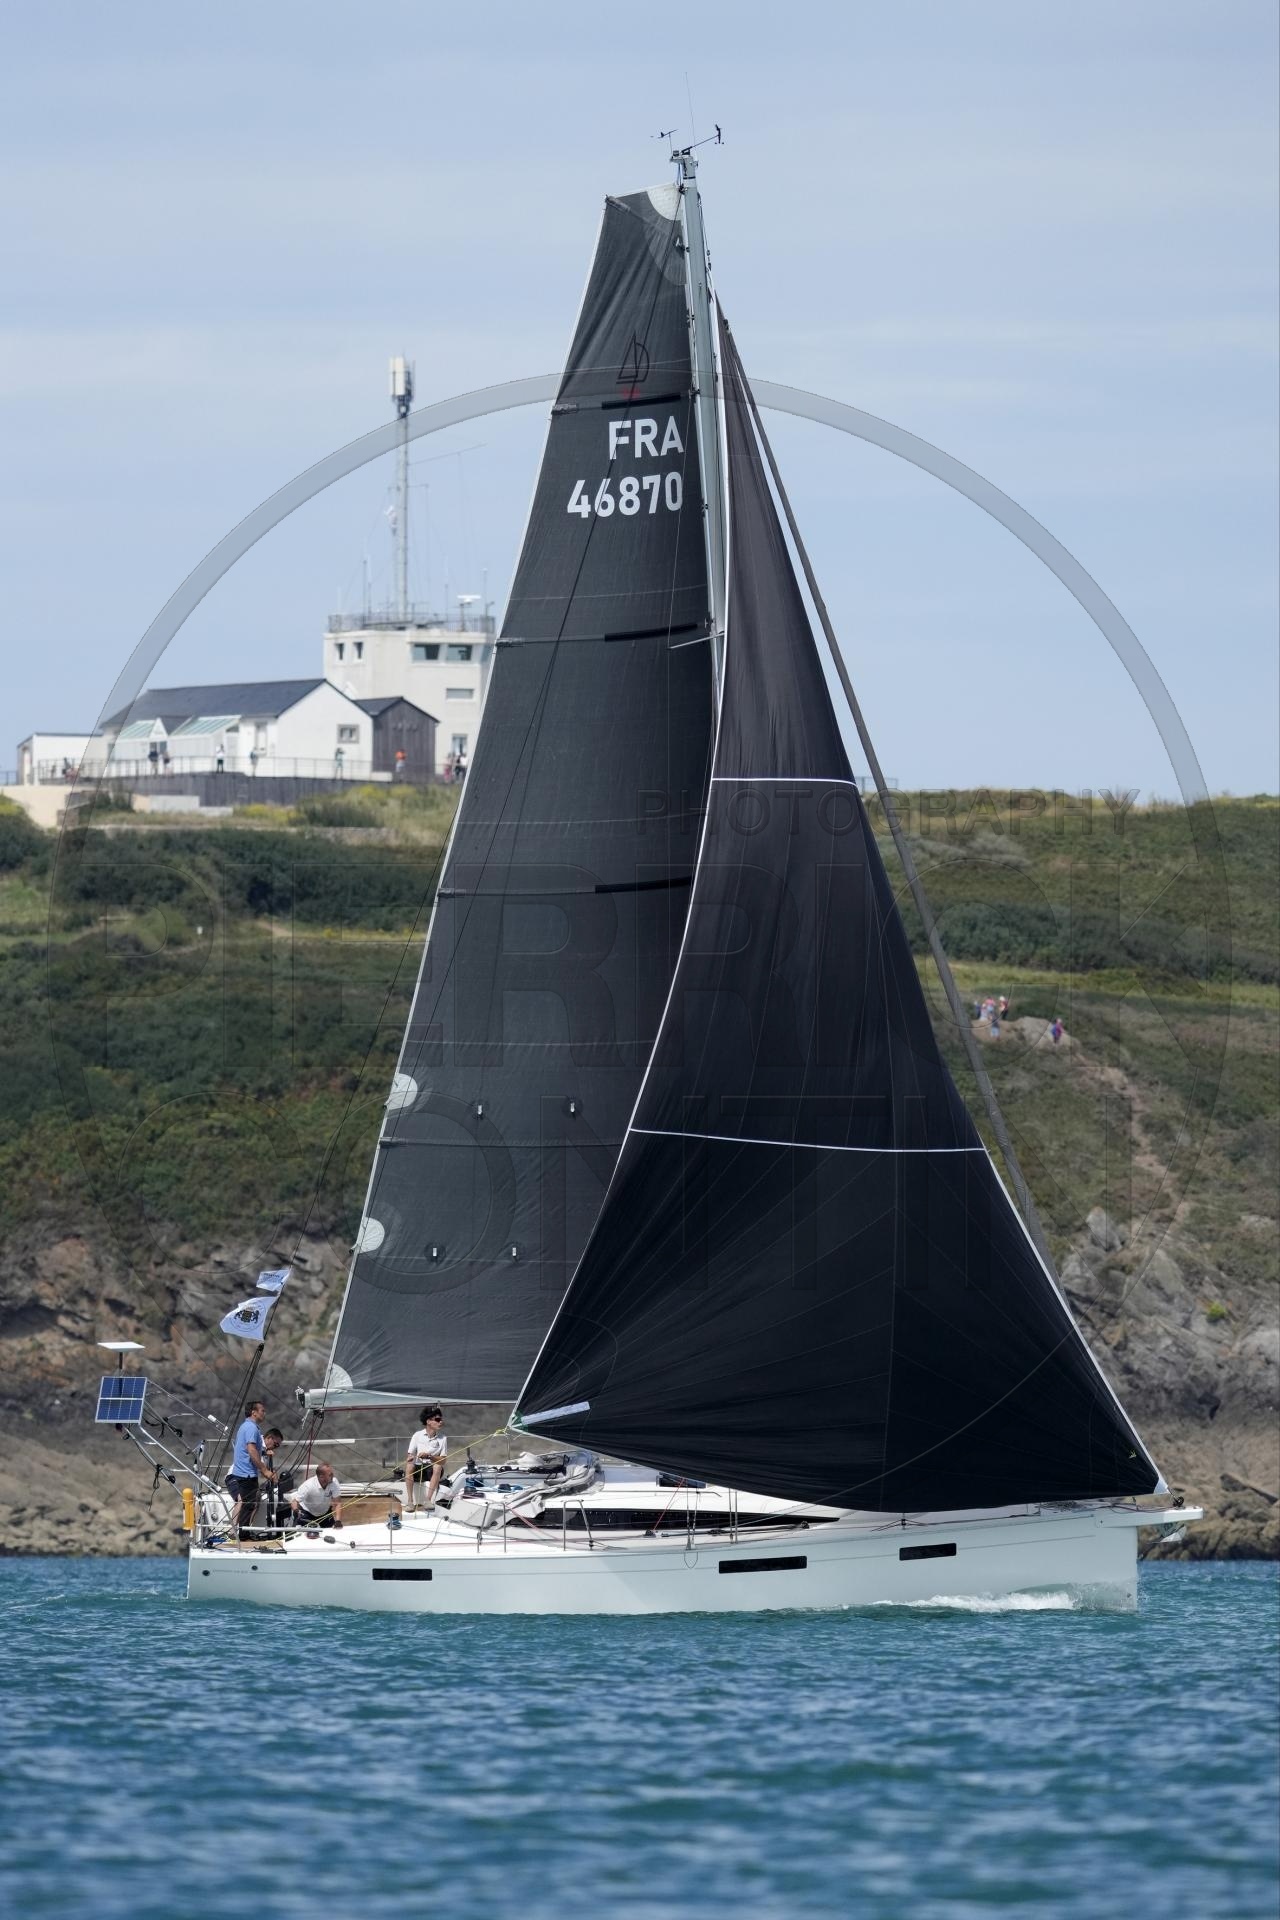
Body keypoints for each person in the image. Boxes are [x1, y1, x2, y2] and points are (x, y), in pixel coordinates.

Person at [227, 1399, 275, 1535]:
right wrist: (264, 1470)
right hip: (246, 1473)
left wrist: (264, 1453)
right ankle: (242, 1536)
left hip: (245, 1472)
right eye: (262, 1411)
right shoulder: (251, 1428)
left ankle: (243, 1534)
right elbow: (251, 1449)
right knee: (247, 1506)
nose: (264, 1413)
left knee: (249, 1504)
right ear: (254, 1412)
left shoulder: (248, 1427)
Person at [404, 1407, 448, 1510]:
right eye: (437, 1420)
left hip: (432, 1470)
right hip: (419, 1468)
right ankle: (410, 1502)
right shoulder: (417, 1435)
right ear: (428, 1421)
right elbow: (410, 1454)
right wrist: (410, 1458)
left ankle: (428, 1500)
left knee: (438, 1466)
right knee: (409, 1466)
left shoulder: (443, 1438)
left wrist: (429, 1456)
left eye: (441, 1419)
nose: (441, 1422)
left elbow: (443, 1460)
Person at [289, 1463, 344, 1529]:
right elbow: (294, 1501)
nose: (333, 1476)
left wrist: (338, 1521)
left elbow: (338, 1503)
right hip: (307, 1514)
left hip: (325, 1514)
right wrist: (296, 1511)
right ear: (321, 1477)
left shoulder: (334, 1482)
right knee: (302, 1534)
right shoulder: (308, 1485)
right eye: (330, 1474)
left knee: (332, 1532)